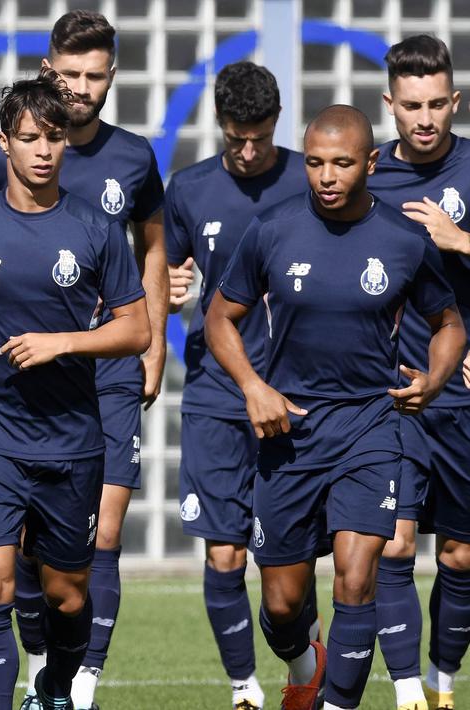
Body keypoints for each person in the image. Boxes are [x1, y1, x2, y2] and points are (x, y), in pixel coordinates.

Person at [205, 104, 465, 710]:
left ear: (370, 163)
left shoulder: (404, 240)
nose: (326, 176)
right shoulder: (273, 229)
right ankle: (304, 661)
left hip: (370, 426)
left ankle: (335, 705)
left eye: (342, 164)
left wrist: (435, 377)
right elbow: (221, 317)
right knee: (282, 605)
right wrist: (252, 386)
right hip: (288, 430)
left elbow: (448, 322)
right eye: (316, 163)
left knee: (356, 576)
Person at [0, 13, 168, 706]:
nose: (79, 88)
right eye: (67, 74)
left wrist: (151, 341)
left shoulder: (126, 170)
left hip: (88, 394)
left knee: (78, 569)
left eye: (92, 75)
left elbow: (151, 251)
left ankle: (71, 680)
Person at [165, 62, 309, 710]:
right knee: (223, 555)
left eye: (257, 137)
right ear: (218, 125)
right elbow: (158, 275)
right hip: (216, 394)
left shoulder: (313, 180)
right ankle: (243, 690)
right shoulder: (188, 189)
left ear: (275, 122)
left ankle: (304, 659)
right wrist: (165, 294)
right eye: (233, 138)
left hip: (299, 393)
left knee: (285, 579)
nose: (246, 151)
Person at [365, 34, 470, 710]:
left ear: (453, 101)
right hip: (396, 393)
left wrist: (460, 240)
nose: (424, 118)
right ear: (390, 105)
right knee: (394, 544)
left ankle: (439, 683)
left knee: (460, 556)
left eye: (436, 104)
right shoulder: (368, 177)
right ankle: (406, 693)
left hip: (463, 397)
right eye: (411, 105)